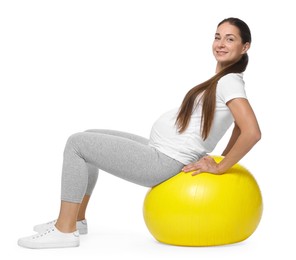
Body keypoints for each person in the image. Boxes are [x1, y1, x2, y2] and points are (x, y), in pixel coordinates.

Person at [18, 17, 261, 249]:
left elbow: (251, 131)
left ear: (244, 46)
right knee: (88, 134)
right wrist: (220, 157)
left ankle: (64, 231)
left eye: (230, 39)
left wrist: (221, 166)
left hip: (165, 161)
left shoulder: (230, 81)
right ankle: (76, 220)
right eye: (217, 37)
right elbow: (239, 126)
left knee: (77, 144)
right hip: (160, 151)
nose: (220, 44)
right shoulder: (223, 80)